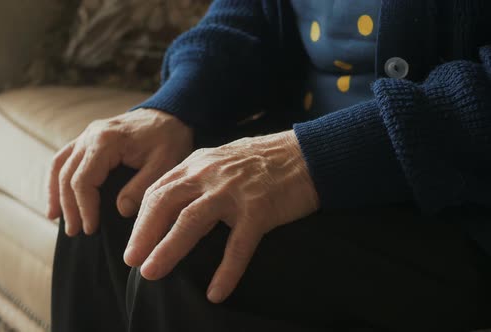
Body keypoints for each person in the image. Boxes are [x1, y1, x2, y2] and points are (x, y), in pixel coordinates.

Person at [48, 1, 491, 331]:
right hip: (305, 145)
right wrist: (175, 107)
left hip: (458, 200)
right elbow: (252, 15)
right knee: (111, 188)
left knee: (195, 247)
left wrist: (312, 158)